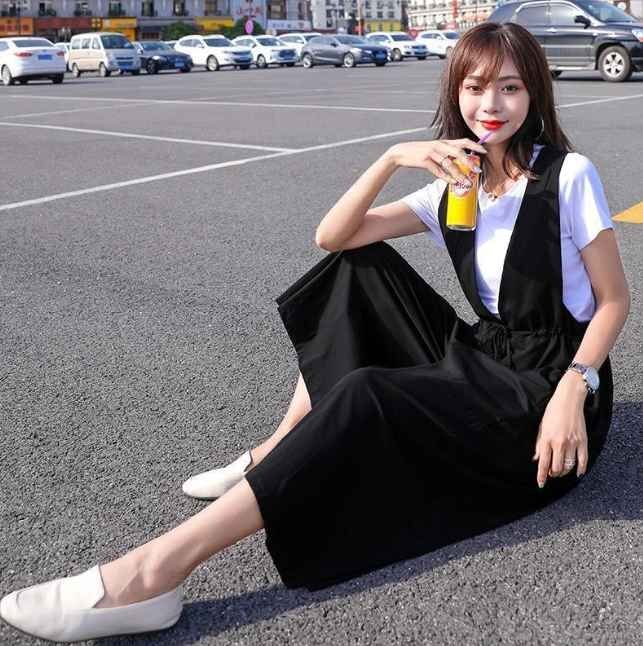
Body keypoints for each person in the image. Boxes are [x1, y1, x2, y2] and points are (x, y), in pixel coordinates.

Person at [0, 22, 630, 643]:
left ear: (534, 94)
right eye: (475, 87)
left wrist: (573, 388)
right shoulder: (455, 188)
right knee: (356, 270)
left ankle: (153, 574)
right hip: (489, 351)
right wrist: (392, 157)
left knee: (366, 394)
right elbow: (334, 236)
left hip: (549, 388)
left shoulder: (567, 175)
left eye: (510, 88)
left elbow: (614, 301)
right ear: (455, 94)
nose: (491, 104)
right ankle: (279, 448)